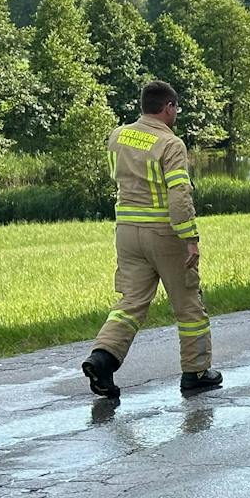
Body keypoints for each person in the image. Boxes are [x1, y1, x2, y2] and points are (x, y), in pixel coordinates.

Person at [82, 80, 222, 397]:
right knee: (189, 307)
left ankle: (102, 359)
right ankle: (196, 372)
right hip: (165, 235)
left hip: (127, 233)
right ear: (168, 107)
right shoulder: (170, 145)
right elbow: (179, 196)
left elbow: (116, 178)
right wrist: (190, 238)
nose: (176, 114)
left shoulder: (118, 136)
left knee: (130, 303)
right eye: (176, 109)